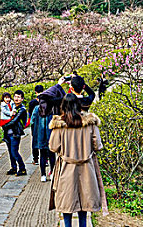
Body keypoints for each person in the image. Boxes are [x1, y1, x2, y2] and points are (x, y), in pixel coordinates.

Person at [49, 93, 108, 227]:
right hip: (87, 168)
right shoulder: (90, 123)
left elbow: (53, 147)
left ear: (63, 106)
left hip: (66, 168)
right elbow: (98, 146)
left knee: (67, 206)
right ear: (78, 105)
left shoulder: (59, 125)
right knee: (84, 205)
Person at [2, 90, 28, 176]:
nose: (16, 99)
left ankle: (22, 168)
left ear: (22, 99)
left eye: (18, 97)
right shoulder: (11, 107)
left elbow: (14, 121)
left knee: (14, 152)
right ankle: (13, 168)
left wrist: (4, 126)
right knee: (10, 152)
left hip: (15, 133)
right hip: (8, 133)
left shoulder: (22, 109)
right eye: (15, 96)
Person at [29, 85, 44, 165]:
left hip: (35, 124)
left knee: (35, 141)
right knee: (44, 140)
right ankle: (45, 159)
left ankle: (36, 159)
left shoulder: (32, 102)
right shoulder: (46, 100)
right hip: (44, 123)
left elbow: (30, 116)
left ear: (35, 92)